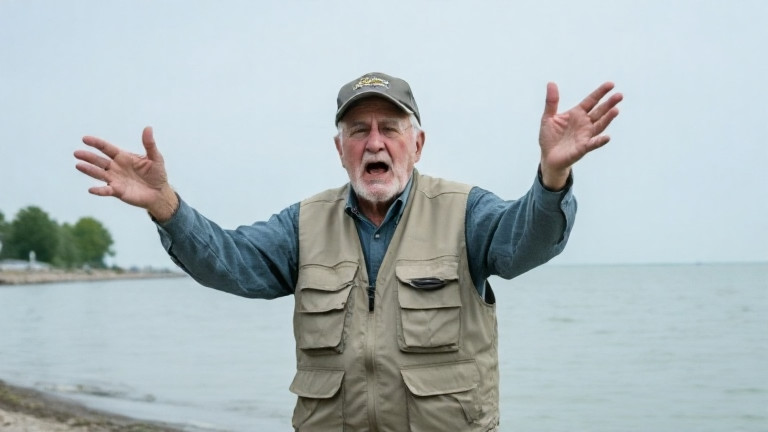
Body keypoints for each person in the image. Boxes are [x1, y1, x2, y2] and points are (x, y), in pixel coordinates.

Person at [74, 72, 622, 432]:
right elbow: (231, 262)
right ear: (340, 150)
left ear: (418, 143)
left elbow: (523, 242)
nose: (375, 142)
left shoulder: (464, 211)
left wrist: (553, 177)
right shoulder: (303, 223)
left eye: (390, 128)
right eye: (359, 130)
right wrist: (166, 205)